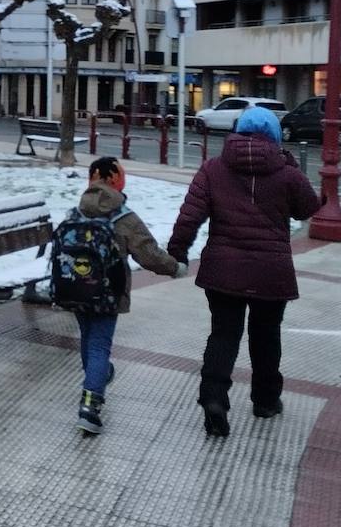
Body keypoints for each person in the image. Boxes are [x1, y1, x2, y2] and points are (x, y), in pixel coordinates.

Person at [168, 106, 321, 438]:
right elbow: (310, 209)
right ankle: (266, 400)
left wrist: (177, 252)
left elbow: (189, 216)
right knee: (266, 337)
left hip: (223, 271)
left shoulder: (213, 169)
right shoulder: (286, 172)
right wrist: (292, 169)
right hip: (271, 272)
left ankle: (214, 399)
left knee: (223, 335)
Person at [64, 156, 187, 435]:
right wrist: (175, 268)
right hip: (108, 292)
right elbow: (148, 253)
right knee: (99, 346)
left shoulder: (77, 211)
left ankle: (97, 376)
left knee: (89, 339)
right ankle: (90, 405)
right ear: (117, 181)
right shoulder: (124, 217)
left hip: (77, 289)